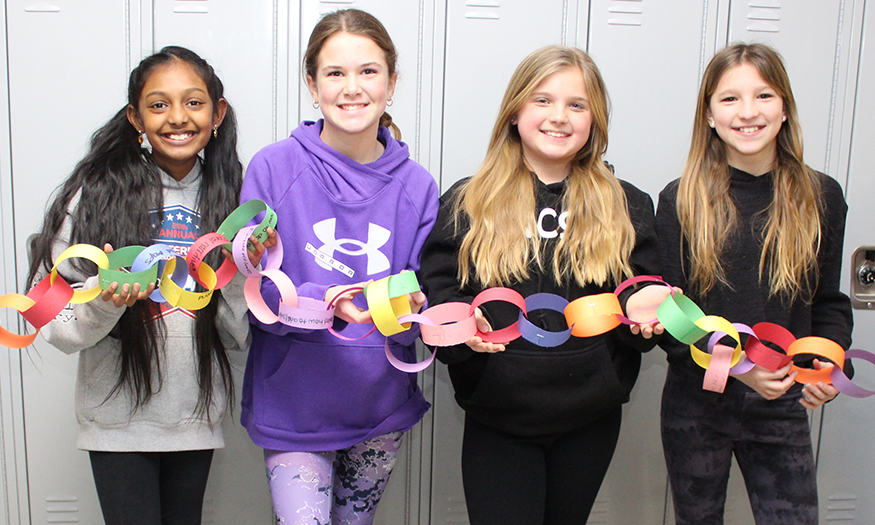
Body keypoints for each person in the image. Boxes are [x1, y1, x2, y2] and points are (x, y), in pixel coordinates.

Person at [419, 45, 668, 525]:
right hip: (500, 417)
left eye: (577, 104)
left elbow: (639, 284)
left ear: (594, 118)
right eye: (542, 100)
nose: (560, 117)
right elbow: (442, 287)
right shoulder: (470, 202)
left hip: (588, 417)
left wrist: (645, 308)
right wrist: (459, 329)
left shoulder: (626, 204)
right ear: (514, 112)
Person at [27, 46, 264, 525]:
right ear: (135, 117)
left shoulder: (234, 198)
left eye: (193, 102)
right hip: (116, 423)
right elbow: (46, 316)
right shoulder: (94, 195)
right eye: (158, 105)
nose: (177, 117)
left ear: (217, 112)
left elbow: (244, 335)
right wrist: (105, 305)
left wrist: (238, 271)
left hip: (194, 421)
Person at [238, 8, 439, 524]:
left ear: (392, 82)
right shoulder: (274, 167)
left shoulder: (417, 186)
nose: (353, 87)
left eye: (369, 71)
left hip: (379, 404)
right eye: (335, 73)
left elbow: (420, 285)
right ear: (312, 84)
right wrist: (331, 300)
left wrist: (415, 302)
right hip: (294, 403)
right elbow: (258, 287)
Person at [656, 42, 853, 525]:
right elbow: (672, 313)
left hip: (781, 401)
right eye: (729, 99)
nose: (748, 112)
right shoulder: (681, 199)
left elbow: (828, 300)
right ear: (708, 115)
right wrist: (739, 368)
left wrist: (826, 363)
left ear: (784, 108)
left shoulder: (820, 196)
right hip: (698, 405)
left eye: (764, 96)